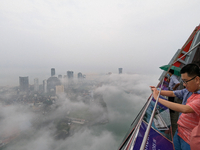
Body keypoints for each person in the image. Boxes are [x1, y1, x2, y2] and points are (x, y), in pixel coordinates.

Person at [150, 63, 200, 150]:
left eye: (185, 81)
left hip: (190, 139)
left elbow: (185, 109)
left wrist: (157, 99)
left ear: (197, 79)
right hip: (179, 132)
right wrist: (158, 91)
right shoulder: (189, 91)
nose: (184, 84)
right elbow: (173, 93)